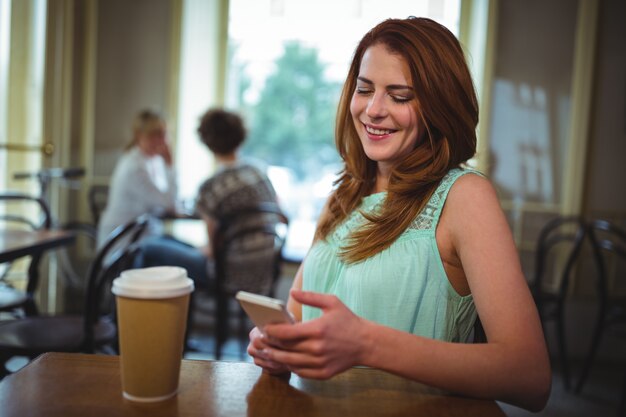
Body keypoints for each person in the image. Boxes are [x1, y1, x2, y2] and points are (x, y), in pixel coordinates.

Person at [246, 17, 551, 412]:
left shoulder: (464, 197)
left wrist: (366, 344)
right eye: (364, 89)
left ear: (440, 105)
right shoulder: (343, 194)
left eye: (400, 96)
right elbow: (300, 315)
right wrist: (278, 343)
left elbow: (530, 375)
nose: (373, 110)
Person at [134, 108, 280, 293]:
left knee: (148, 247)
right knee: (168, 240)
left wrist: (204, 249)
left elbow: (212, 250)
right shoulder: (258, 171)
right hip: (265, 267)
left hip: (230, 273)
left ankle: (134, 315)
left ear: (207, 142)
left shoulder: (212, 187)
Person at [97, 109, 178, 247]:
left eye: (164, 134)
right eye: (155, 135)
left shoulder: (152, 161)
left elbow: (168, 203)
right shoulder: (134, 167)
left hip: (146, 236)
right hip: (127, 244)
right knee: (193, 260)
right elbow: (169, 204)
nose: (162, 141)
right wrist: (170, 166)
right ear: (139, 135)